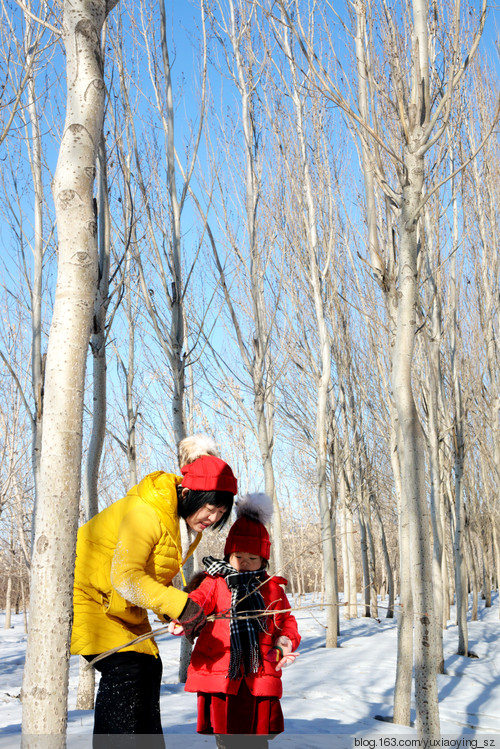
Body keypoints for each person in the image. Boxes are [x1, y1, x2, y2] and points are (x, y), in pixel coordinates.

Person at [70, 434, 237, 747]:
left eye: (220, 514)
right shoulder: (147, 512)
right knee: (126, 669)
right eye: (210, 509)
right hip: (88, 596)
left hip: (117, 604)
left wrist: (183, 607)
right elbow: (126, 577)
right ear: (189, 493)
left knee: (149, 666)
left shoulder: (185, 526)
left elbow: (151, 579)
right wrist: (179, 605)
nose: (212, 519)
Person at [173, 492, 300, 749]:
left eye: (252, 558)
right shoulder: (216, 581)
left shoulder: (271, 588)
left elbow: (286, 622)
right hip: (223, 673)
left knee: (256, 737)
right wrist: (182, 617)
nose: (244, 563)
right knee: (227, 736)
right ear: (228, 554)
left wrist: (284, 643)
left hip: (259, 672)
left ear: (263, 560)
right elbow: (197, 601)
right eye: (238, 556)